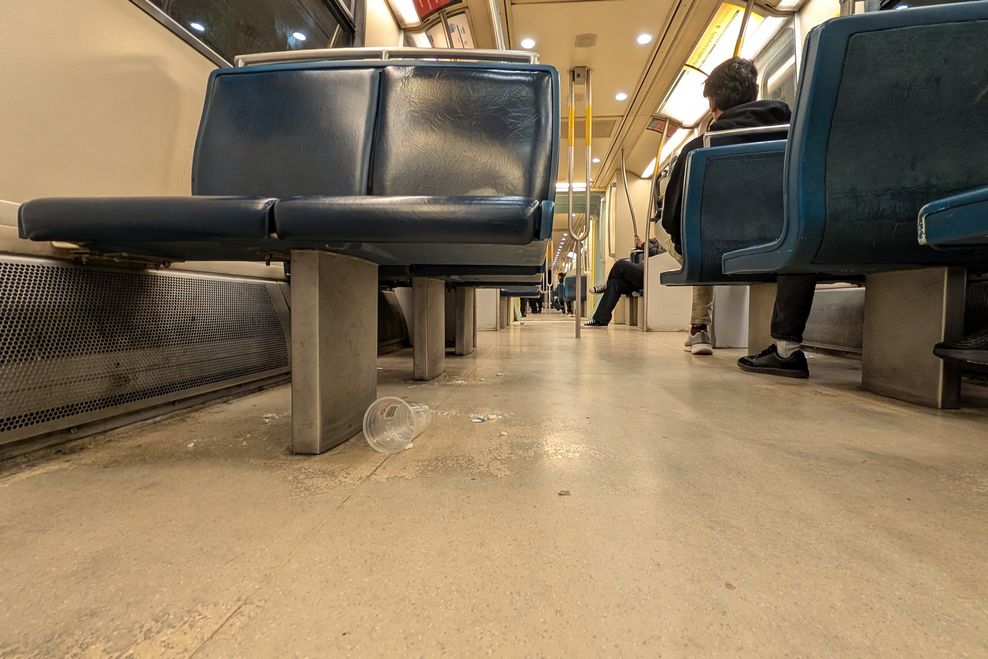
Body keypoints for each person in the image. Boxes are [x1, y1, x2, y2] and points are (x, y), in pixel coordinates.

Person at [656, 57, 792, 355]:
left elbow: (672, 220)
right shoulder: (793, 138)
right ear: (755, 92)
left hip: (714, 250)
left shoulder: (699, 149)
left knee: (685, 232)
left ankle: (699, 328)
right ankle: (787, 342)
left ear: (713, 102)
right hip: (785, 241)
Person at [584, 236, 658, 327]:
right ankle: (600, 320)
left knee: (620, 265)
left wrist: (644, 244)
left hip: (652, 273)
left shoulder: (669, 240)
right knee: (614, 283)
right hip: (646, 272)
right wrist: (641, 244)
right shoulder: (659, 239)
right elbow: (650, 247)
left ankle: (605, 286)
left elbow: (658, 254)